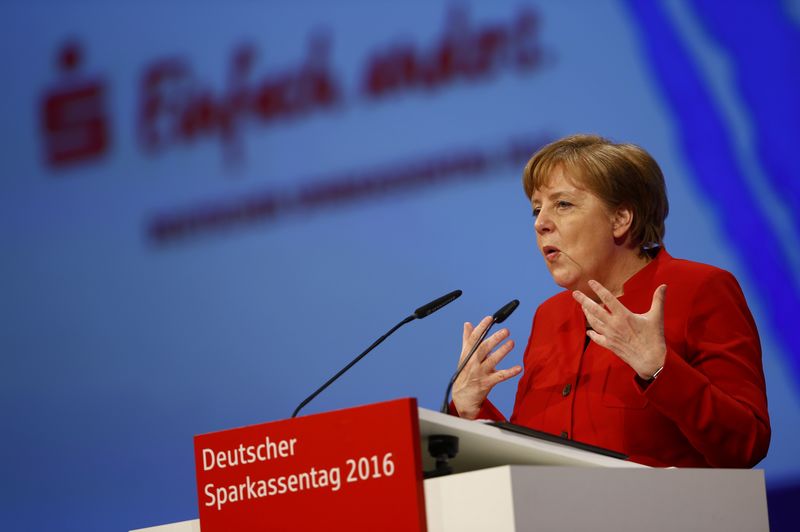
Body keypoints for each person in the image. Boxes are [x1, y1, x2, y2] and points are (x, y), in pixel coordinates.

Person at [451, 134, 770, 468]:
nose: (541, 223)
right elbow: (534, 457)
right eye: (536, 209)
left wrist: (660, 369)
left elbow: (746, 444)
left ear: (620, 219)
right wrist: (471, 411)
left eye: (563, 204)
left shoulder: (699, 289)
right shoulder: (550, 317)